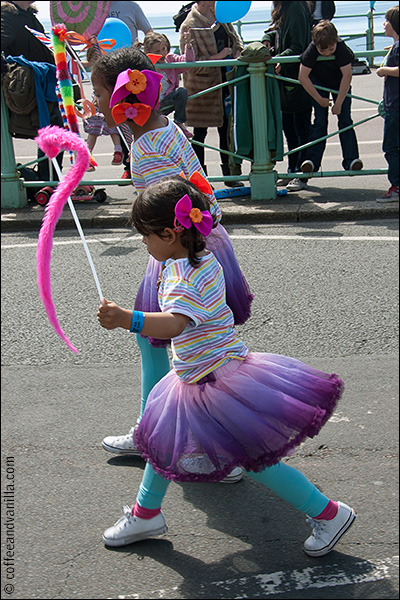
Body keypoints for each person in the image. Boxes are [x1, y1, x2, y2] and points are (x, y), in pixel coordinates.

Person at [96, 175, 356, 553]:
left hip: (214, 382)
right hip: (201, 374)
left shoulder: (184, 275)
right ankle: (147, 513)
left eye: (145, 235)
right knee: (159, 442)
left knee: (257, 461)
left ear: (170, 234)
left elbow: (174, 324)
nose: (143, 242)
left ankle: (329, 513)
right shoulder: (198, 259)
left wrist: (127, 319)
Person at [90, 47, 253, 483]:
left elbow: (165, 218)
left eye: (99, 90)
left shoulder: (147, 148)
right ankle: (160, 434)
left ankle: (194, 443)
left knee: (183, 349)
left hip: (182, 250)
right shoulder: (158, 128)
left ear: (123, 96)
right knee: (180, 348)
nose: (94, 99)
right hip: (193, 242)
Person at [179, 1, 245, 186]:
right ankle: (200, 180)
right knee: (199, 135)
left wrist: (237, 52)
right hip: (203, 88)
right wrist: (218, 57)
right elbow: (190, 63)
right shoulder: (190, 24)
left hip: (227, 82)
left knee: (226, 131)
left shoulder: (222, 17)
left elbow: (236, 40)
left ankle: (230, 176)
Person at [1, 0, 63, 182]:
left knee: (53, 129)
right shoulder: (7, 15)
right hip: (28, 88)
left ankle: (46, 178)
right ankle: (45, 179)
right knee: (52, 127)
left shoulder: (30, 15)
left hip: (45, 85)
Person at [298, 20, 363, 175]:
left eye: (331, 49)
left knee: (345, 120)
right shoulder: (312, 48)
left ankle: (351, 159)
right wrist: (319, 99)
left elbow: (347, 75)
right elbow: (302, 76)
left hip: (340, 82)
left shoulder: (341, 48)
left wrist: (338, 102)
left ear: (335, 41)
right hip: (318, 82)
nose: (327, 53)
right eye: (323, 51)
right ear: (316, 44)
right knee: (320, 121)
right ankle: (312, 161)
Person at [262, 1, 313, 192]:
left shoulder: (295, 8)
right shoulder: (285, 8)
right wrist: (268, 37)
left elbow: (299, 45)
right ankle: (293, 169)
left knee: (300, 127)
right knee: (289, 127)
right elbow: (276, 31)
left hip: (296, 77)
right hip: (287, 78)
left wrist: (280, 60)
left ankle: (301, 173)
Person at [107, 1, 153, 179]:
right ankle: (129, 165)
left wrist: (146, 48)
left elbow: (148, 31)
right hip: (109, 70)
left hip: (131, 70)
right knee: (118, 117)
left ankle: (140, 163)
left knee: (135, 115)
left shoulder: (131, 6)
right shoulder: (95, 9)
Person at [140, 30, 194, 139]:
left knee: (182, 92)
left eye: (163, 49)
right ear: (149, 52)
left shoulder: (170, 59)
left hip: (166, 101)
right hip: (151, 104)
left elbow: (187, 62)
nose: (161, 53)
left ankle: (179, 123)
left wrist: (188, 46)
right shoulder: (146, 64)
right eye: (157, 51)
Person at [82, 46, 123, 171]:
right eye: (94, 58)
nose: (97, 60)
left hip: (107, 100)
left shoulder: (107, 70)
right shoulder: (91, 68)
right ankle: (87, 156)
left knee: (114, 126)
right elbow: (75, 63)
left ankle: (118, 151)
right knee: (92, 129)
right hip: (95, 102)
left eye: (100, 56)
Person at [376, 6, 399, 203]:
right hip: (394, 104)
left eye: (386, 20)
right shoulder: (396, 46)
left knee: (390, 147)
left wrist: (385, 70)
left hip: (395, 106)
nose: (384, 24)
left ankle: (396, 186)